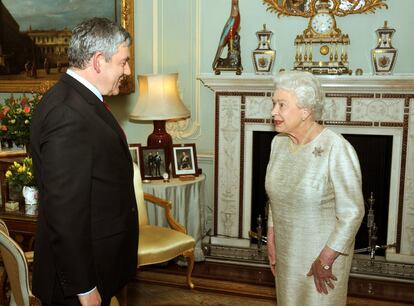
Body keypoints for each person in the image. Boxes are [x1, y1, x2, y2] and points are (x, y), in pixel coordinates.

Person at [30, 17, 138, 306]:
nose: (127, 71)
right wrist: (84, 287)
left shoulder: (78, 100)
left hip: (97, 264)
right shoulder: (68, 113)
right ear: (99, 61)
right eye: (123, 62)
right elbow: (65, 212)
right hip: (77, 282)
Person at [265, 71, 364, 306]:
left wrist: (326, 260)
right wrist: (271, 239)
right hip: (287, 254)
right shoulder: (278, 143)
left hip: (322, 257)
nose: (273, 112)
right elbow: (275, 196)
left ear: (306, 110)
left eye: (281, 104)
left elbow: (353, 213)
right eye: (273, 104)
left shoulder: (336, 148)